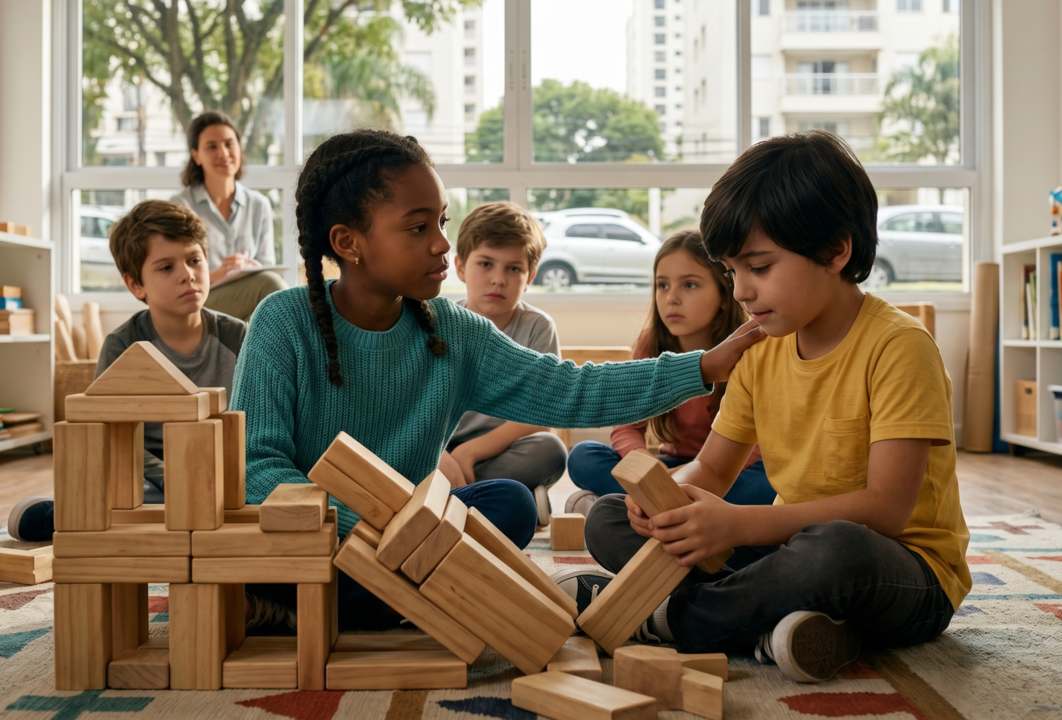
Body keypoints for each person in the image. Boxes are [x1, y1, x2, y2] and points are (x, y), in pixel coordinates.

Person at [230, 128, 764, 633]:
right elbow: (258, 467)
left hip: (407, 546)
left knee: (507, 503)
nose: (442, 244)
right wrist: (372, 528)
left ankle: (327, 609)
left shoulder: (455, 332)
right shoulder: (283, 321)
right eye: (419, 228)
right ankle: (346, 600)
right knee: (281, 554)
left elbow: (569, 389)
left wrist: (701, 367)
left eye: (441, 221)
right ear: (348, 242)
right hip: (312, 545)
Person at [562, 131, 970, 684]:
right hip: (785, 550)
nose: (741, 292)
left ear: (835, 251)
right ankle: (775, 624)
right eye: (731, 272)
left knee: (833, 551)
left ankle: (671, 617)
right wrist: (669, 499)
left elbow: (886, 510)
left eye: (758, 267)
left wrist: (737, 525)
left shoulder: (900, 346)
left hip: (899, 572)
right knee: (610, 518)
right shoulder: (759, 349)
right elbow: (712, 469)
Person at [8, 201, 245, 541]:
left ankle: (102, 519)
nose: (187, 274)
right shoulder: (122, 345)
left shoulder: (239, 336)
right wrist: (169, 475)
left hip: (219, 468)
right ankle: (65, 514)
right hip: (146, 473)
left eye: (195, 259)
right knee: (112, 485)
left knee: (248, 491)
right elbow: (107, 433)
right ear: (136, 285)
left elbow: (257, 423)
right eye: (166, 267)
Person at [563, 230, 778, 518]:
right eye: (662, 285)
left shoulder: (749, 347)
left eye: (689, 285)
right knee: (583, 456)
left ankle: (637, 507)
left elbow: (757, 445)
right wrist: (647, 467)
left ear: (725, 295)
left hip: (731, 470)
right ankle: (661, 504)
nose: (671, 298)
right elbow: (627, 425)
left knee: (771, 482)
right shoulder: (650, 343)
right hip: (670, 464)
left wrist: (680, 478)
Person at [439, 201, 568, 525]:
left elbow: (542, 414)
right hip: (437, 445)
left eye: (513, 269)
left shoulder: (537, 326)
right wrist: (441, 455)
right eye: (485, 264)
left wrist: (469, 453)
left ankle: (451, 496)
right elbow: (415, 410)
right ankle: (488, 496)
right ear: (460, 266)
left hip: (500, 448)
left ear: (530, 277)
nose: (498, 279)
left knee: (550, 450)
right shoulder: (438, 323)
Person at [171, 110, 288, 322]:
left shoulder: (259, 205)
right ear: (196, 155)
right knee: (272, 289)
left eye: (229, 144)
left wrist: (250, 268)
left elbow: (267, 267)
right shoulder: (181, 206)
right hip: (199, 299)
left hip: (250, 298)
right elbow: (176, 275)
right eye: (212, 146)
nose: (223, 153)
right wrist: (220, 273)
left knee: (270, 298)